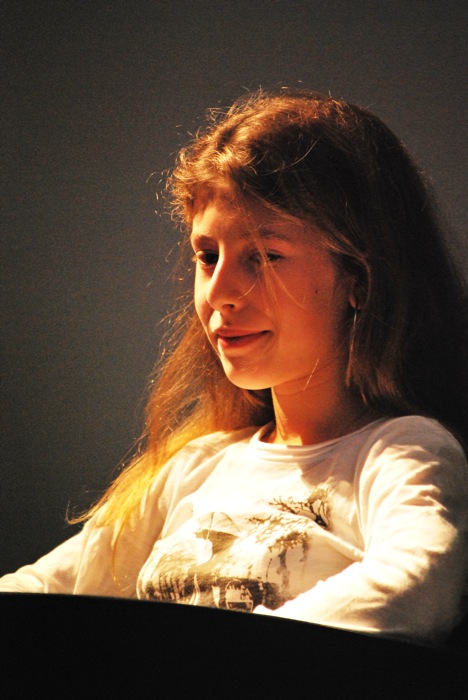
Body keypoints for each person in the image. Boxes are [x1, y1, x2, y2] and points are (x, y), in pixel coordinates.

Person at [1, 88, 468, 645]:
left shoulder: (400, 452)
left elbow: (413, 588)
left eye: (264, 256)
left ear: (360, 280)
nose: (219, 292)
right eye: (207, 256)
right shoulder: (194, 467)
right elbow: (40, 591)